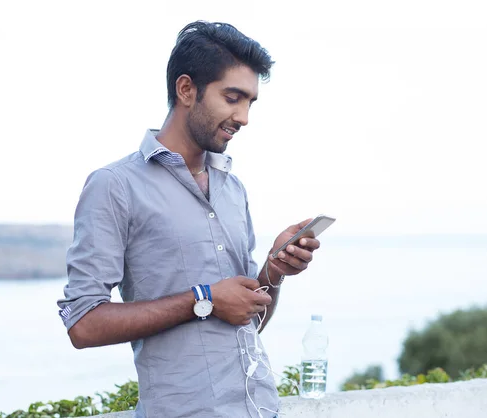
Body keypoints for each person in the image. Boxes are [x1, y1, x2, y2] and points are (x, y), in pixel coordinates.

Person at [57, 20, 322, 418]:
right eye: (232, 97)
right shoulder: (114, 185)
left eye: (250, 102)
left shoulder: (233, 190)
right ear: (186, 90)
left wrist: (274, 269)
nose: (244, 116)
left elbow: (245, 320)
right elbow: (83, 324)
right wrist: (205, 299)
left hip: (262, 409)